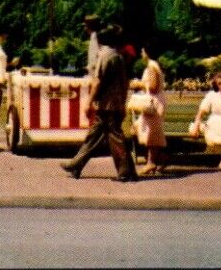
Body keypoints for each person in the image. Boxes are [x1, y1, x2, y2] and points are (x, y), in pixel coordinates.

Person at [62, 24, 137, 181]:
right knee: (95, 136)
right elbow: (124, 83)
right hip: (115, 104)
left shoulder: (105, 56)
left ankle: (125, 172)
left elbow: (97, 82)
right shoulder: (117, 56)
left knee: (113, 138)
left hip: (106, 105)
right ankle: (76, 165)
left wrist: (89, 102)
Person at [133, 43, 169, 175]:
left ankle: (152, 162)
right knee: (148, 131)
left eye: (142, 51)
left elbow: (153, 86)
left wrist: (139, 84)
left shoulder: (151, 67)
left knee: (150, 133)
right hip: (156, 102)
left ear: (147, 53)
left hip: (153, 103)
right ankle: (160, 159)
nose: (141, 54)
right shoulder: (155, 65)